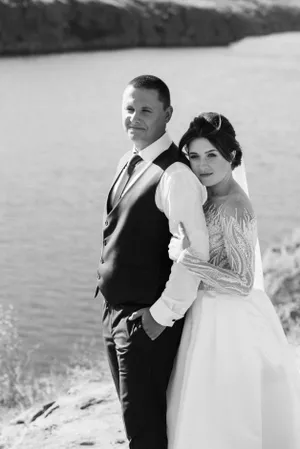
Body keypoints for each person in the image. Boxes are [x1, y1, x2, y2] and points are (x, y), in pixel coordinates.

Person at [165, 112, 300, 449]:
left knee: (226, 413)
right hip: (205, 311)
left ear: (232, 156)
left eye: (212, 155)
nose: (202, 165)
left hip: (229, 321)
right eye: (193, 156)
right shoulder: (208, 196)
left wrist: (188, 259)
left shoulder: (235, 206)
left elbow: (241, 283)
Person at [94, 75, 210, 449]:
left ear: (167, 114)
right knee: (135, 424)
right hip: (116, 316)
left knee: (145, 432)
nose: (134, 117)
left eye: (146, 110)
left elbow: (195, 255)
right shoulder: (128, 161)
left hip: (145, 322)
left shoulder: (175, 175)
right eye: (129, 108)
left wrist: (160, 315)